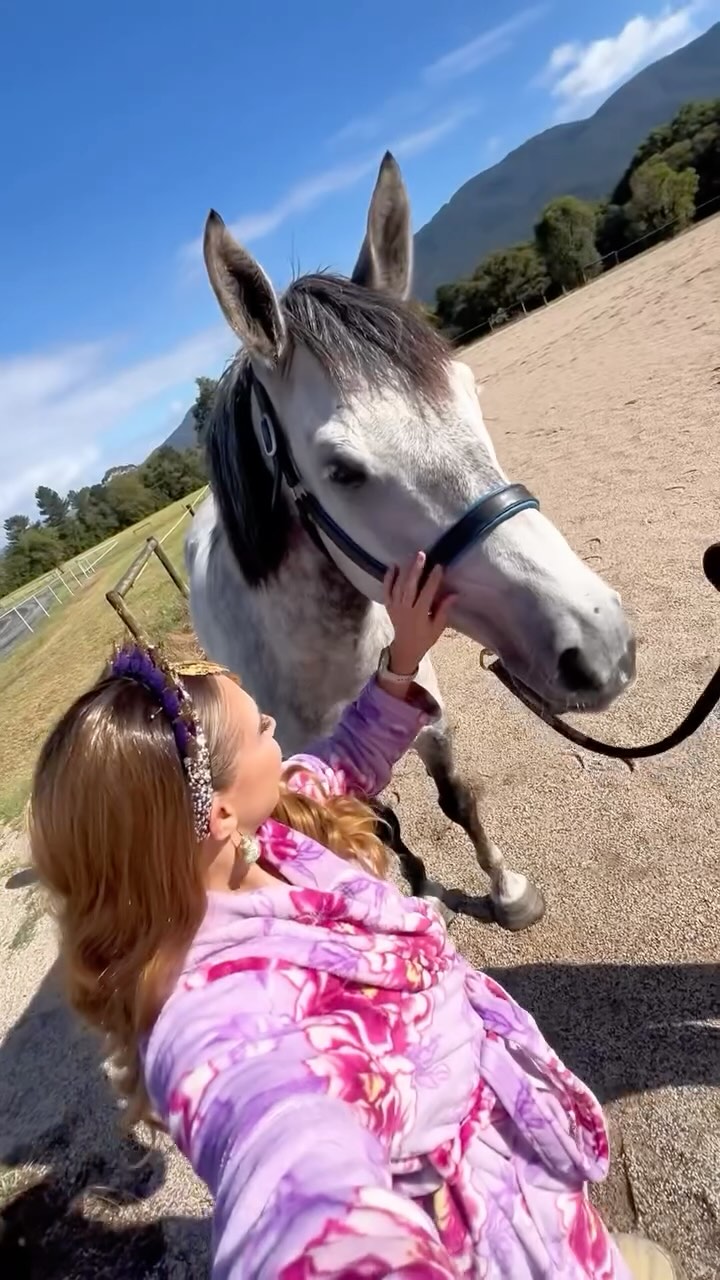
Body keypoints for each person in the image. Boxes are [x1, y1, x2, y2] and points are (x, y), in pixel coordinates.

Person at [30, 553, 679, 1280]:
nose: (279, 726)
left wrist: (402, 656)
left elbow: (339, 766)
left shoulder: (256, 841)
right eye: (260, 732)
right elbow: (283, 1164)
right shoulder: (210, 1021)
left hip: (514, 1152)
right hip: (482, 1236)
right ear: (214, 812)